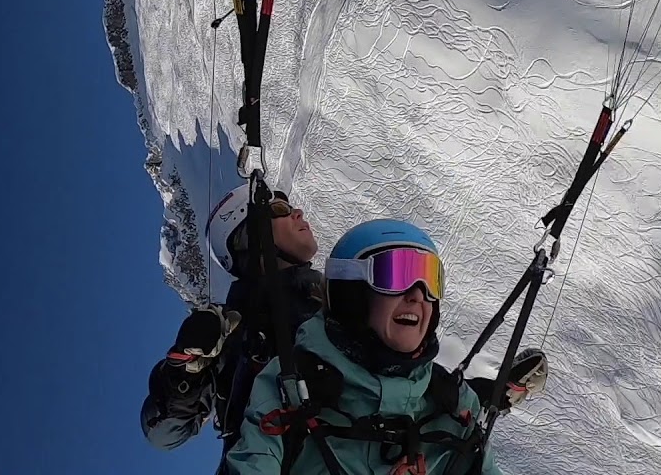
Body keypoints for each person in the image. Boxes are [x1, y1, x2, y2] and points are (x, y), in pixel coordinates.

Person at [222, 219, 543, 475]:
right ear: (352, 295)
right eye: (395, 275)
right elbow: (255, 460)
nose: (418, 294)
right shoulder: (290, 387)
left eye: (430, 280)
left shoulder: (452, 402)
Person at [140, 183, 322, 452]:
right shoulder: (232, 332)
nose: (298, 213)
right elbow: (163, 433)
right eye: (279, 210)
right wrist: (184, 371)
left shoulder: (340, 295)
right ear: (249, 238)